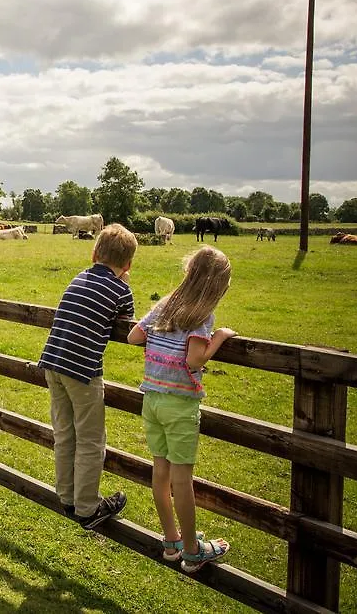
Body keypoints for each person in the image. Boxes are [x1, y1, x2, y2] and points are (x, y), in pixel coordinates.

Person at [126, 246, 234, 573]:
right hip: (180, 404)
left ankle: (172, 540)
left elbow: (133, 336)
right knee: (182, 479)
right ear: (217, 287)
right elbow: (195, 359)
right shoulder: (201, 316)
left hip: (153, 398)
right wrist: (220, 338)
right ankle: (191, 550)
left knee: (160, 471)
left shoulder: (164, 306)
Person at [39, 223, 137, 529]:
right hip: (82, 371)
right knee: (91, 439)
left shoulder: (78, 277)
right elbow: (128, 322)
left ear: (94, 253)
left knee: (65, 433)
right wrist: (123, 282)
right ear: (128, 265)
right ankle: (87, 508)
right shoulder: (121, 288)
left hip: (52, 362)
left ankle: (67, 496)